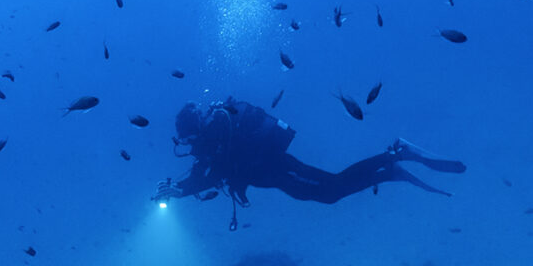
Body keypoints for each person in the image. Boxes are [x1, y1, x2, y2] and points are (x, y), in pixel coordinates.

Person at [164, 98, 462, 223]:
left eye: (189, 139)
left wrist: (182, 190)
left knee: (332, 188)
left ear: (195, 130)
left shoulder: (217, 132)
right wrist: (178, 189)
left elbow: (213, 174)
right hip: (275, 174)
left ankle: (396, 154)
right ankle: (390, 170)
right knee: (330, 192)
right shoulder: (212, 138)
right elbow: (206, 173)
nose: (190, 146)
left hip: (277, 169)